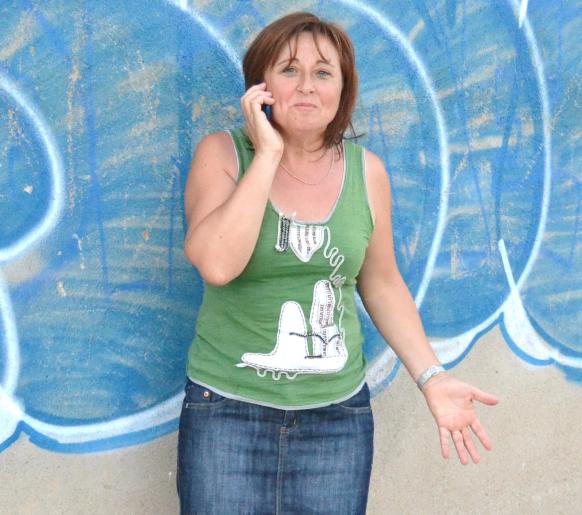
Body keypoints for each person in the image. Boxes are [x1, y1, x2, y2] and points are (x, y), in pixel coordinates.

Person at [178, 11, 498, 515]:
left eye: (323, 72)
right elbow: (217, 265)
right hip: (226, 412)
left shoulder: (367, 173)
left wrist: (433, 377)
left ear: (343, 90)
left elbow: (382, 284)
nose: (307, 85)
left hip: (336, 421)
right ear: (261, 87)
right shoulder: (223, 154)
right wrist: (268, 155)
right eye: (289, 70)